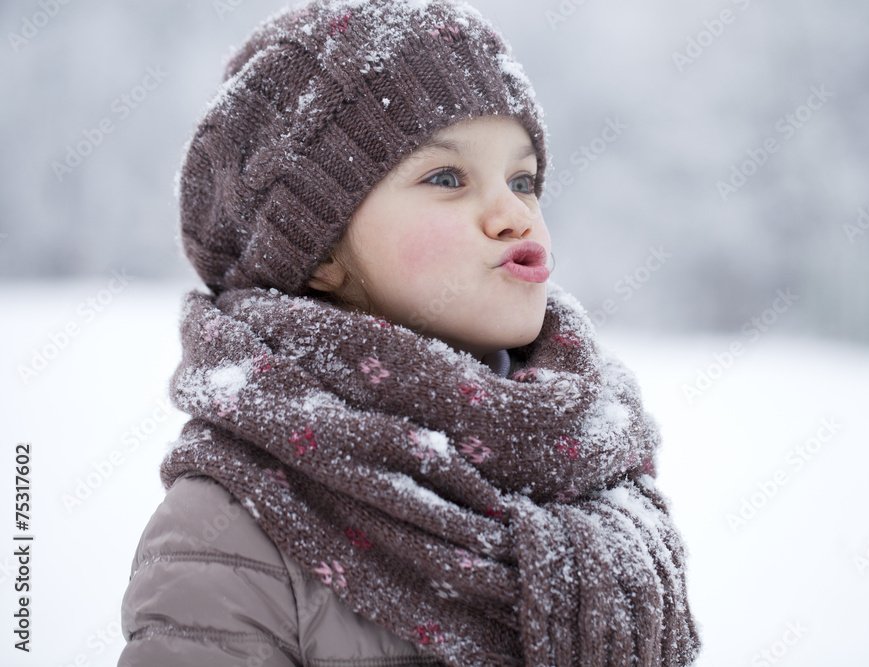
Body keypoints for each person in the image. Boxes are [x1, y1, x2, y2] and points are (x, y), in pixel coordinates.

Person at [117, 1, 700, 665]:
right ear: (320, 251)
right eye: (447, 178)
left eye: (523, 179)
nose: (514, 214)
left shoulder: (598, 467)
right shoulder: (232, 527)